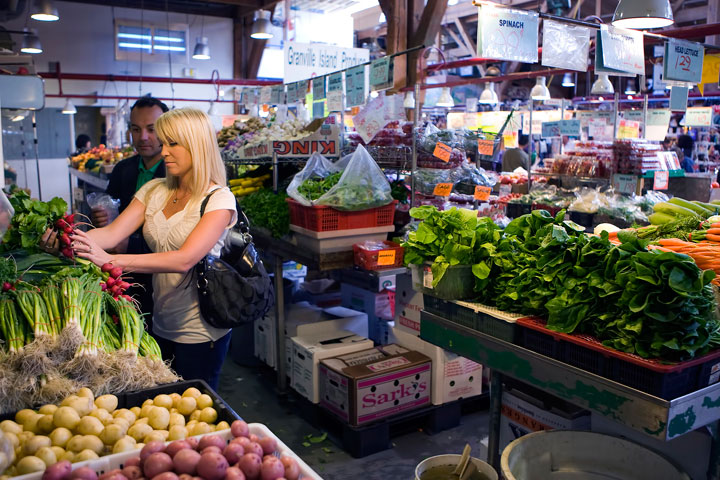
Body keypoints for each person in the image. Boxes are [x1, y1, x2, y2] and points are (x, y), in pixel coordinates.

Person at [70, 108, 238, 390]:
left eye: (173, 143)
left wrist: (112, 261)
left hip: (200, 330)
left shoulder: (219, 200)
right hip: (160, 321)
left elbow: (184, 260)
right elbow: (111, 234)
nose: (164, 152)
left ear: (197, 144)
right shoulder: (154, 190)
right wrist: (69, 237)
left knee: (195, 407)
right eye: (164, 143)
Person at [92, 97, 169, 326]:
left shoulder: (175, 173)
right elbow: (111, 216)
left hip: (164, 280)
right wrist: (102, 218)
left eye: (151, 129)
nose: (143, 137)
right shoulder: (122, 169)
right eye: (136, 129)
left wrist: (130, 245)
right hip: (123, 277)